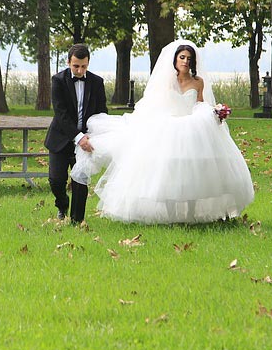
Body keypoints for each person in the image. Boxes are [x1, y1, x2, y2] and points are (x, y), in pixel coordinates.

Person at [71, 40, 254, 224]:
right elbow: (157, 104)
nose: (185, 62)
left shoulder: (198, 82)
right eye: (182, 57)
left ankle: (190, 213)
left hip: (192, 128)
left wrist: (214, 112)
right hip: (169, 128)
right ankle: (172, 214)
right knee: (168, 170)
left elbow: (199, 104)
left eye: (189, 59)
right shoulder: (166, 81)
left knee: (192, 170)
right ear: (175, 59)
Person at [44, 44, 108, 223]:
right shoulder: (58, 80)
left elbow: (102, 112)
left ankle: (76, 221)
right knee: (56, 180)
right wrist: (78, 137)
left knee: (80, 181)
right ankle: (62, 204)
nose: (80, 70)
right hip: (61, 138)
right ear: (69, 62)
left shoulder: (97, 82)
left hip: (87, 141)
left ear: (88, 63)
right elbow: (60, 113)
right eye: (76, 66)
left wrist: (94, 135)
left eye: (84, 66)